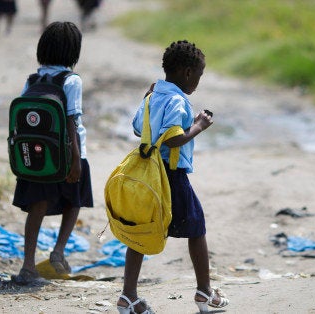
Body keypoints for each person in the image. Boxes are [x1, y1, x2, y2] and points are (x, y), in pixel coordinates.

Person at [117, 40, 229, 314]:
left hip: (146, 174)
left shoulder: (152, 96)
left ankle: (127, 297)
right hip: (170, 176)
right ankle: (204, 293)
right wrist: (199, 125)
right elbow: (175, 138)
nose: (198, 82)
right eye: (199, 76)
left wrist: (147, 100)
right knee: (197, 228)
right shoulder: (178, 101)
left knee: (140, 233)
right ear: (188, 72)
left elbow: (137, 129)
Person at [10, 21, 93, 286]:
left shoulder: (33, 79)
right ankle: (58, 253)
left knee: (37, 206)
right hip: (70, 154)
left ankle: (27, 266)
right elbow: (71, 121)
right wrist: (76, 161)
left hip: (35, 158)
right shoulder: (71, 80)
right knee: (74, 202)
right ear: (73, 52)